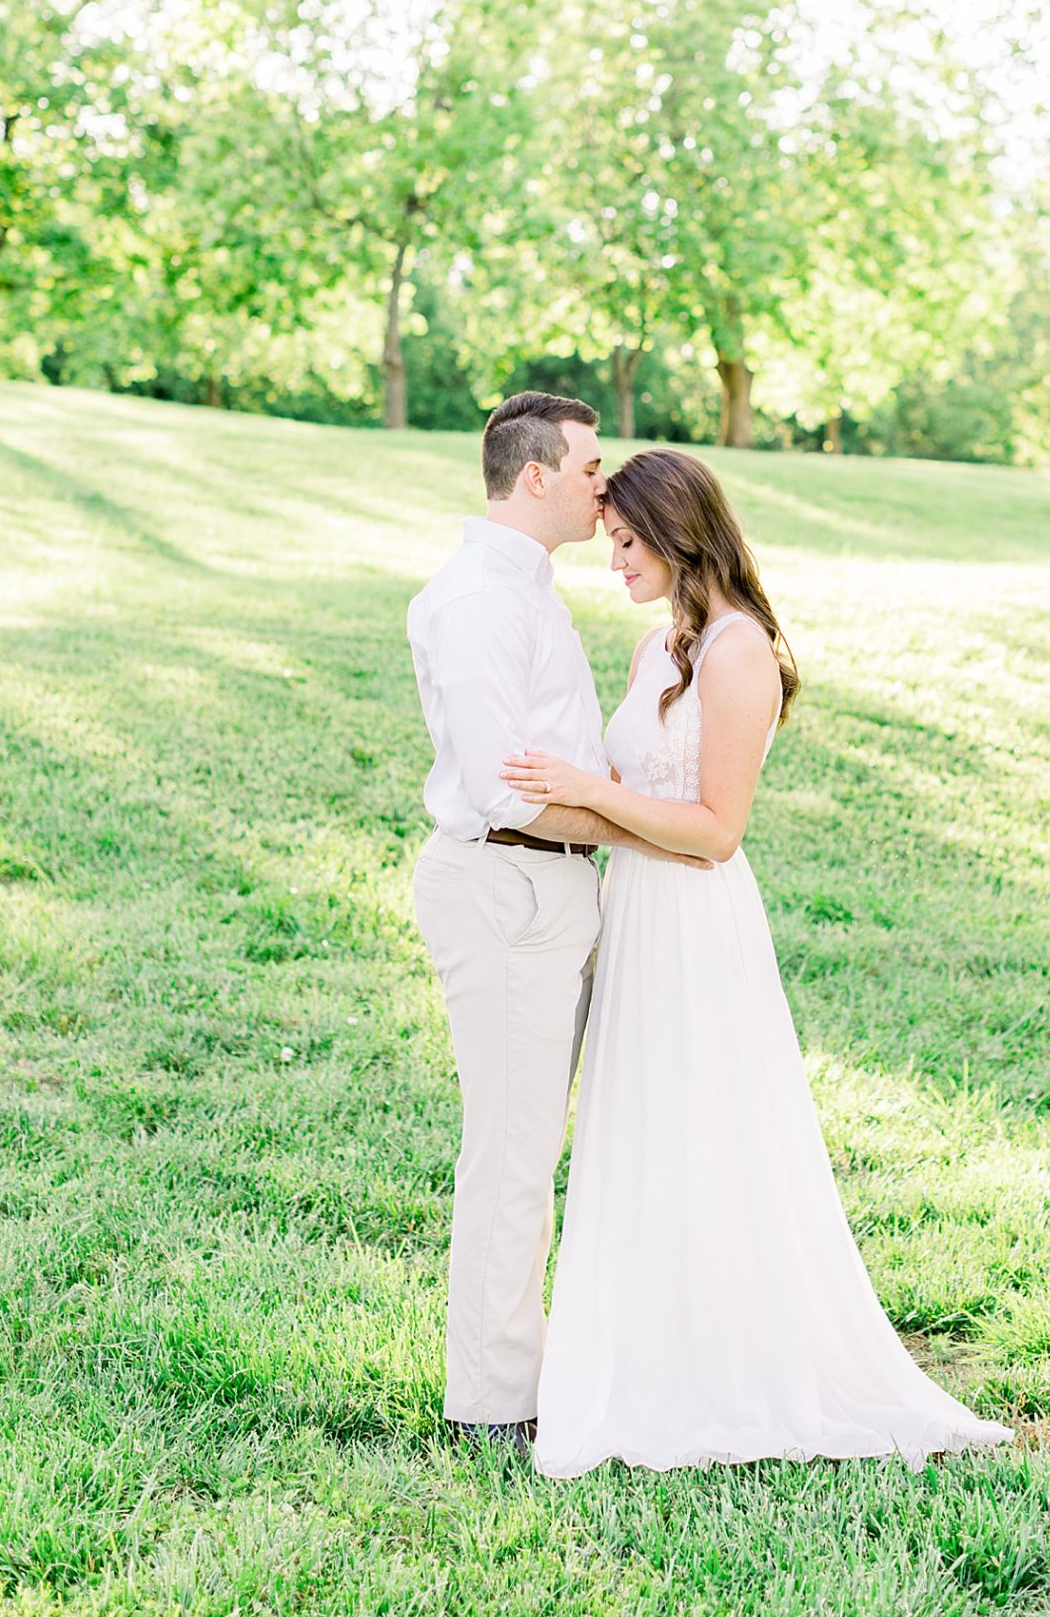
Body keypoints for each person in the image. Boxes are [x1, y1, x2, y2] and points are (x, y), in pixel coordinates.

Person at [499, 445, 1015, 1477]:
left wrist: (589, 793)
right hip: (636, 910)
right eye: (611, 540)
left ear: (679, 534)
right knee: (638, 1129)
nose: (615, 559)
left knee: (703, 1131)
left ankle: (726, 1368)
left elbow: (715, 830)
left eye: (629, 541)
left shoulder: (740, 653)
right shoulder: (657, 648)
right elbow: (635, 796)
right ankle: (641, 1356)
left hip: (695, 923)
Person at [406, 393, 704, 1451]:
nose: (602, 483)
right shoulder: (479, 601)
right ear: (534, 475)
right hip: (508, 885)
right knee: (514, 1154)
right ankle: (493, 1403)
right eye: (587, 467)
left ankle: (559, 1368)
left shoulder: (528, 592)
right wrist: (656, 833)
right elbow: (505, 790)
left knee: (544, 1144)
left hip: (555, 886)